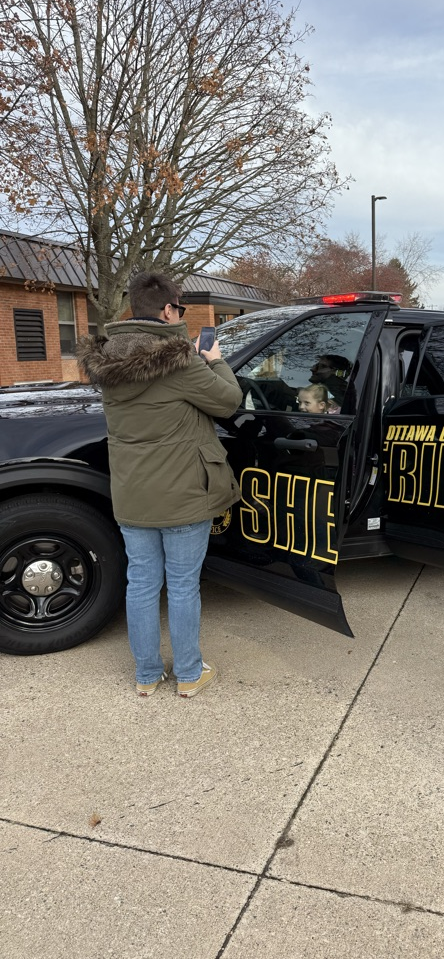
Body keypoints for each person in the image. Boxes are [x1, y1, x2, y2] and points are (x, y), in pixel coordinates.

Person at [78, 272, 242, 698]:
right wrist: (216, 359)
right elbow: (228, 401)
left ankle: (147, 675)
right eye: (181, 309)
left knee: (142, 583)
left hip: (133, 494)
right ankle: (189, 674)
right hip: (184, 494)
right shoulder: (181, 361)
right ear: (169, 311)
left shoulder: (107, 363)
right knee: (183, 584)